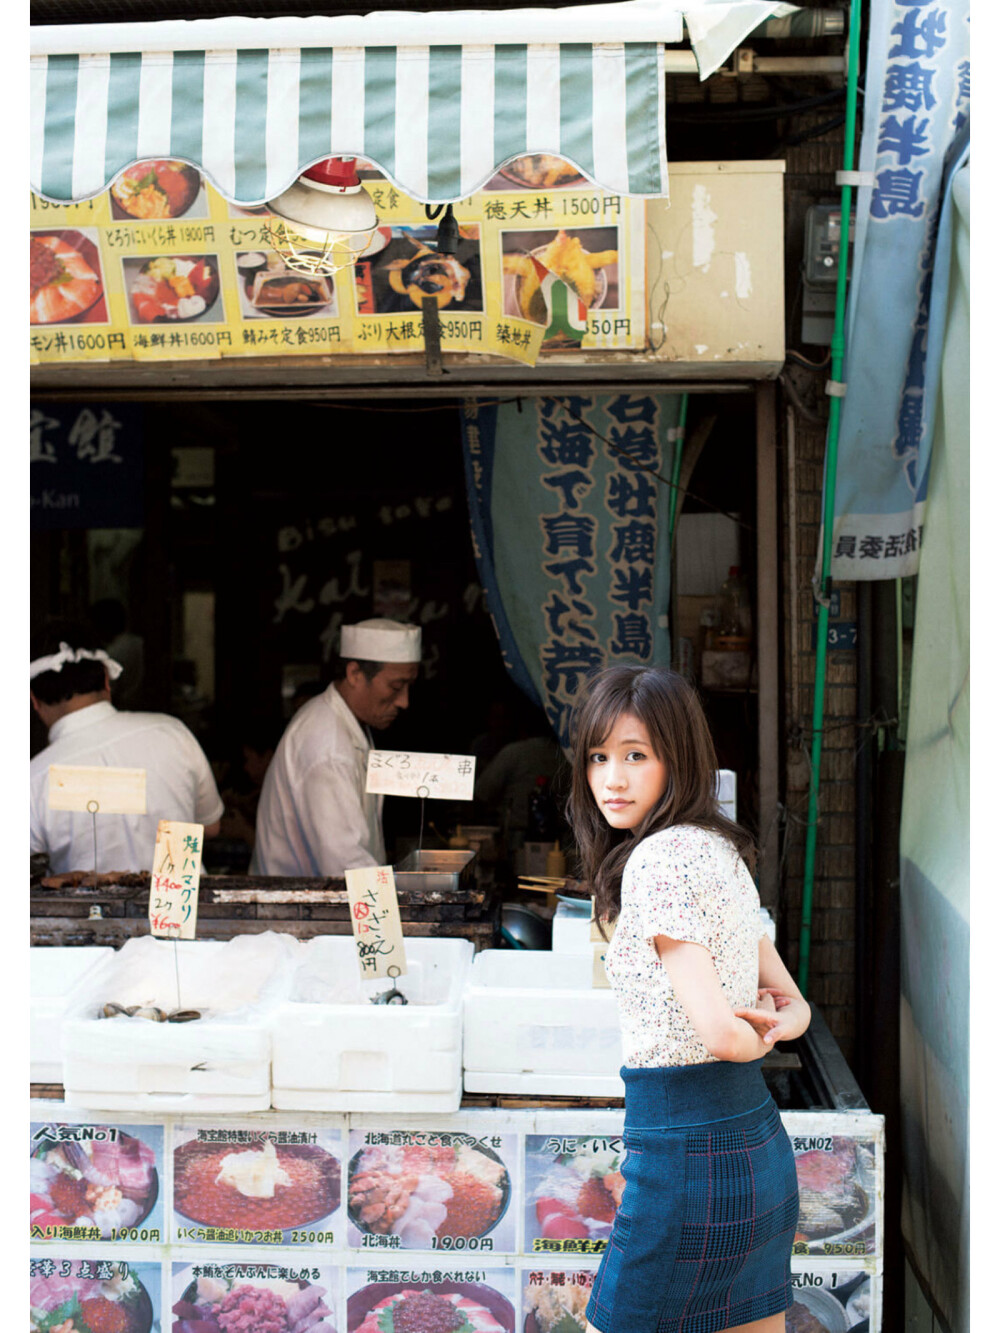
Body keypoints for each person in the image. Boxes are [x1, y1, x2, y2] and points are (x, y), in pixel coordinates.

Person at [566, 665, 811, 1333]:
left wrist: (748, 1037)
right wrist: (776, 1028)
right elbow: (796, 1004)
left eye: (635, 755)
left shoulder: (655, 861)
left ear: (678, 758)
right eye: (599, 756)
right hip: (758, 1149)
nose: (611, 778)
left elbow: (720, 1033)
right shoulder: (720, 848)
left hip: (684, 1162)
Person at [30, 621, 223, 874]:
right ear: (107, 681)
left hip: (86, 913)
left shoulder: (36, 778)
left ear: (34, 700)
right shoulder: (171, 733)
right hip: (180, 908)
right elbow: (210, 827)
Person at [251, 619, 421, 878]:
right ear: (354, 674)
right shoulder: (327, 746)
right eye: (396, 687)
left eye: (409, 686)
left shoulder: (344, 722)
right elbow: (346, 864)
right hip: (298, 912)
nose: (404, 701)